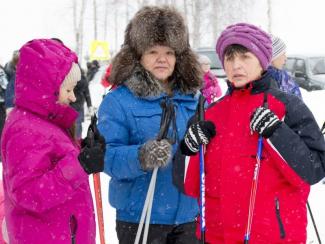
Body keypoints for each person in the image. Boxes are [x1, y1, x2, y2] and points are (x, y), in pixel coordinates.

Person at [173, 23, 325, 243]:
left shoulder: (287, 106)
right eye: (229, 58)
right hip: (218, 235)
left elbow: (314, 170)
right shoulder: (210, 113)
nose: (236, 65)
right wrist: (188, 150)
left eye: (245, 57)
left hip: (273, 236)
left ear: (262, 61)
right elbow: (185, 184)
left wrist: (277, 133)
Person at [97, 6, 202, 244]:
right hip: (140, 218)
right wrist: (140, 156)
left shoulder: (194, 99)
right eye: (153, 51)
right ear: (138, 56)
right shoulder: (118, 101)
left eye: (169, 52)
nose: (162, 59)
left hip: (188, 216)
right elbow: (106, 156)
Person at [0, 39, 105, 243]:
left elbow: (52, 158)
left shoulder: (42, 119)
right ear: (47, 89)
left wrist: (85, 149)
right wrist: (80, 164)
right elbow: (28, 193)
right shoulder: (24, 130)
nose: (73, 97)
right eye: (68, 90)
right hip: (48, 235)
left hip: (62, 232)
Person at [70, 67, 94, 139]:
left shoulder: (69, 79)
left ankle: (73, 140)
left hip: (70, 104)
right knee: (78, 124)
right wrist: (89, 105)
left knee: (70, 125)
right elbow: (87, 94)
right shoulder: (83, 80)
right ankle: (78, 141)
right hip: (79, 106)